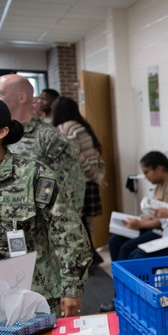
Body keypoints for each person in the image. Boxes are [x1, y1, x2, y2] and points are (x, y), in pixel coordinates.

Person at [0, 96, 91, 317]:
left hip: (28, 293)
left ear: (1, 132)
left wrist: (71, 288)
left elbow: (67, 231)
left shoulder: (32, 174)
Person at [0, 75, 85, 219]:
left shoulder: (49, 138)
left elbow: (70, 190)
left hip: (36, 231)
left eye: (0, 93)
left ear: (22, 97)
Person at [52, 96, 107, 264]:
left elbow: (76, 156)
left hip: (79, 180)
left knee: (77, 221)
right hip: (86, 179)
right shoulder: (79, 126)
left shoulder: (66, 128)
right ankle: (90, 255)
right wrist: (98, 175)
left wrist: (96, 176)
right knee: (81, 220)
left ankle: (87, 256)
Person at [107, 151, 168, 262]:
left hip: (164, 232)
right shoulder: (160, 184)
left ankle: (128, 279)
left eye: (147, 172)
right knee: (114, 241)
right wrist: (139, 220)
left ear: (158, 168)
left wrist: (140, 224)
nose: (145, 177)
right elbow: (154, 213)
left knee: (127, 249)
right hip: (155, 227)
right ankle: (118, 277)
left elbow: (164, 220)